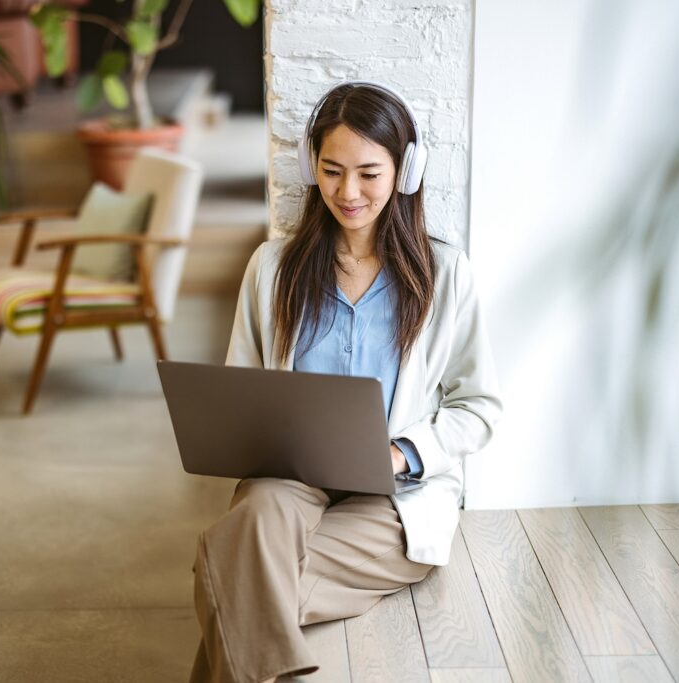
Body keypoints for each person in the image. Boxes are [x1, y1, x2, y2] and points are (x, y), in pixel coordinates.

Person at [188, 81, 503, 683]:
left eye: (368, 173)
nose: (348, 192)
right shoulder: (272, 269)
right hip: (289, 480)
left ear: (405, 171)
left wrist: (403, 453)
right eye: (332, 171)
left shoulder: (446, 274)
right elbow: (240, 388)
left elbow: (480, 405)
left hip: (394, 499)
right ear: (312, 167)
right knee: (254, 524)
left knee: (226, 574)